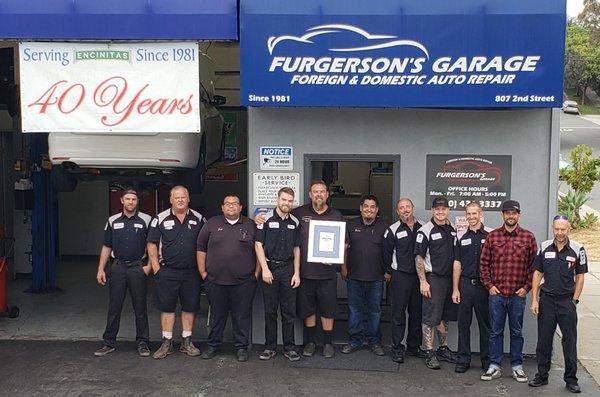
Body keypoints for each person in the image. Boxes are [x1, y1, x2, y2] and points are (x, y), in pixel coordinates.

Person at [479, 200, 537, 382]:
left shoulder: (528, 237)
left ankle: (517, 367)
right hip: (496, 295)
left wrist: (526, 288)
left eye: (514, 213)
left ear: (519, 215)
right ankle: (494, 366)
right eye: (507, 213)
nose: (510, 216)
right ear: (502, 215)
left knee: (516, 332)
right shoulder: (493, 236)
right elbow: (483, 264)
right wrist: (489, 286)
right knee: (495, 332)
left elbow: (534, 268)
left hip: (517, 296)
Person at [528, 215, 587, 393]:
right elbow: (537, 274)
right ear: (553, 228)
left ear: (569, 229)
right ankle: (542, 376)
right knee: (544, 341)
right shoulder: (544, 246)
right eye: (557, 229)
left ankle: (571, 379)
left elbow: (581, 276)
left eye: (563, 229)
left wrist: (574, 300)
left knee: (569, 342)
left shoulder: (578, 249)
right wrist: (534, 299)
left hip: (566, 302)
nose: (560, 232)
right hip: (546, 301)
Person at [197, 195, 259, 362]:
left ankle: (241, 348)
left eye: (235, 204)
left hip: (244, 282)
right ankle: (212, 346)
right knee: (217, 315)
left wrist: (256, 274)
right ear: (222, 207)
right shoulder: (211, 224)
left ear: (240, 207)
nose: (231, 207)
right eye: (228, 204)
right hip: (215, 281)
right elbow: (201, 247)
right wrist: (203, 272)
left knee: (242, 316)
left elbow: (259, 250)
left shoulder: (250, 225)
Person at [147, 185, 205, 359]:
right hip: (167, 272)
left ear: (188, 199)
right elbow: (152, 244)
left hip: (191, 273)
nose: (180, 200)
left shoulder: (200, 219)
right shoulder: (160, 218)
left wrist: (202, 269)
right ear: (171, 199)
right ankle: (167, 342)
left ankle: (186, 341)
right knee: (167, 307)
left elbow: (208, 244)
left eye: (183, 197)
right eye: (176, 197)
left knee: (189, 306)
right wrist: (156, 269)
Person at [94, 189, 152, 357]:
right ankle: (109, 342)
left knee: (140, 307)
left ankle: (143, 342)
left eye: (134, 199)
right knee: (114, 307)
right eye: (128, 199)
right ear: (122, 201)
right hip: (118, 268)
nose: (131, 202)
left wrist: (148, 267)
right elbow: (107, 246)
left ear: (137, 201)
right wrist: (100, 269)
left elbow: (152, 245)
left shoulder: (146, 220)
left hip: (137, 268)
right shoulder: (112, 220)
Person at [292, 180, 345, 358]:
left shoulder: (336, 214)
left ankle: (328, 343)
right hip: (306, 272)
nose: (319, 195)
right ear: (310, 194)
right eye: (316, 192)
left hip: (328, 273)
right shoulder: (298, 213)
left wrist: (336, 256)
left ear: (327, 194)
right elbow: (281, 218)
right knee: (309, 309)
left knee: (328, 308)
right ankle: (310, 343)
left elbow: (343, 242)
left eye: (322, 192)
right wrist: (260, 218)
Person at [255, 187, 302, 362]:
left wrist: (297, 273)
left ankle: (290, 348)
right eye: (284, 200)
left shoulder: (295, 222)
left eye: (290, 201)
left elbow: (297, 249)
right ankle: (270, 347)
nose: (287, 203)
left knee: (288, 312)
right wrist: (265, 269)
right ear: (278, 199)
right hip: (270, 270)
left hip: (288, 269)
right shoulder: (264, 219)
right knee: (270, 311)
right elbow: (258, 245)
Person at [414, 196, 459, 370]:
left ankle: (442, 348)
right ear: (433, 211)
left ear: (448, 210)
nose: (441, 212)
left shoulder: (453, 229)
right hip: (433, 279)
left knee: (445, 315)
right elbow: (418, 257)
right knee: (430, 317)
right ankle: (429, 352)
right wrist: (423, 281)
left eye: (444, 209)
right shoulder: (425, 231)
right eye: (437, 209)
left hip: (449, 280)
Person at [340, 195, 388, 356]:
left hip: (376, 277)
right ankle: (355, 340)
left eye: (372, 207)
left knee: (375, 310)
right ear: (360, 208)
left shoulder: (384, 225)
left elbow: (388, 251)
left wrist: (388, 271)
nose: (369, 209)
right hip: (354, 275)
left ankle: (374, 341)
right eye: (366, 206)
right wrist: (343, 268)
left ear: (377, 210)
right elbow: (344, 248)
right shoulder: (350, 225)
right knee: (355, 310)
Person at [383, 197, 427, 363]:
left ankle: (414, 346)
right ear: (397, 211)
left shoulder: (424, 227)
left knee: (417, 313)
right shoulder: (392, 230)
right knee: (398, 313)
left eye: (408, 206)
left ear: (413, 208)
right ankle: (397, 347)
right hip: (400, 276)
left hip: (419, 278)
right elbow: (386, 253)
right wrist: (388, 272)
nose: (405, 210)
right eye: (402, 208)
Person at [451, 202, 492, 373]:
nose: (472, 217)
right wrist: (455, 288)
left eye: (475, 213)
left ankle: (487, 360)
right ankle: (463, 359)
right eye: (469, 214)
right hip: (466, 285)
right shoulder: (461, 236)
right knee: (463, 324)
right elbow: (457, 264)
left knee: (486, 325)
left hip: (484, 287)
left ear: (480, 214)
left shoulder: (491, 235)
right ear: (466, 215)